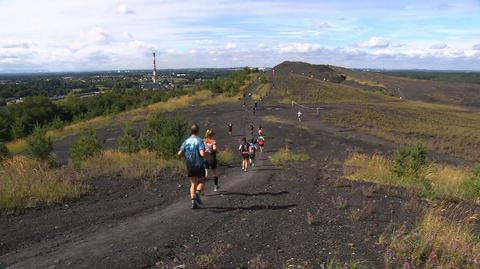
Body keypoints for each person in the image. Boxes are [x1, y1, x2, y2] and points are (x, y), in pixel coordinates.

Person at [178, 124, 206, 209]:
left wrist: (185, 156)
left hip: (189, 165)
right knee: (202, 181)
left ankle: (193, 203)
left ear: (191, 131)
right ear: (198, 131)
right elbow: (202, 154)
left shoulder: (186, 141)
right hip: (199, 165)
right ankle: (197, 193)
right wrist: (206, 153)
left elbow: (179, 153)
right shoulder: (200, 140)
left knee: (193, 183)